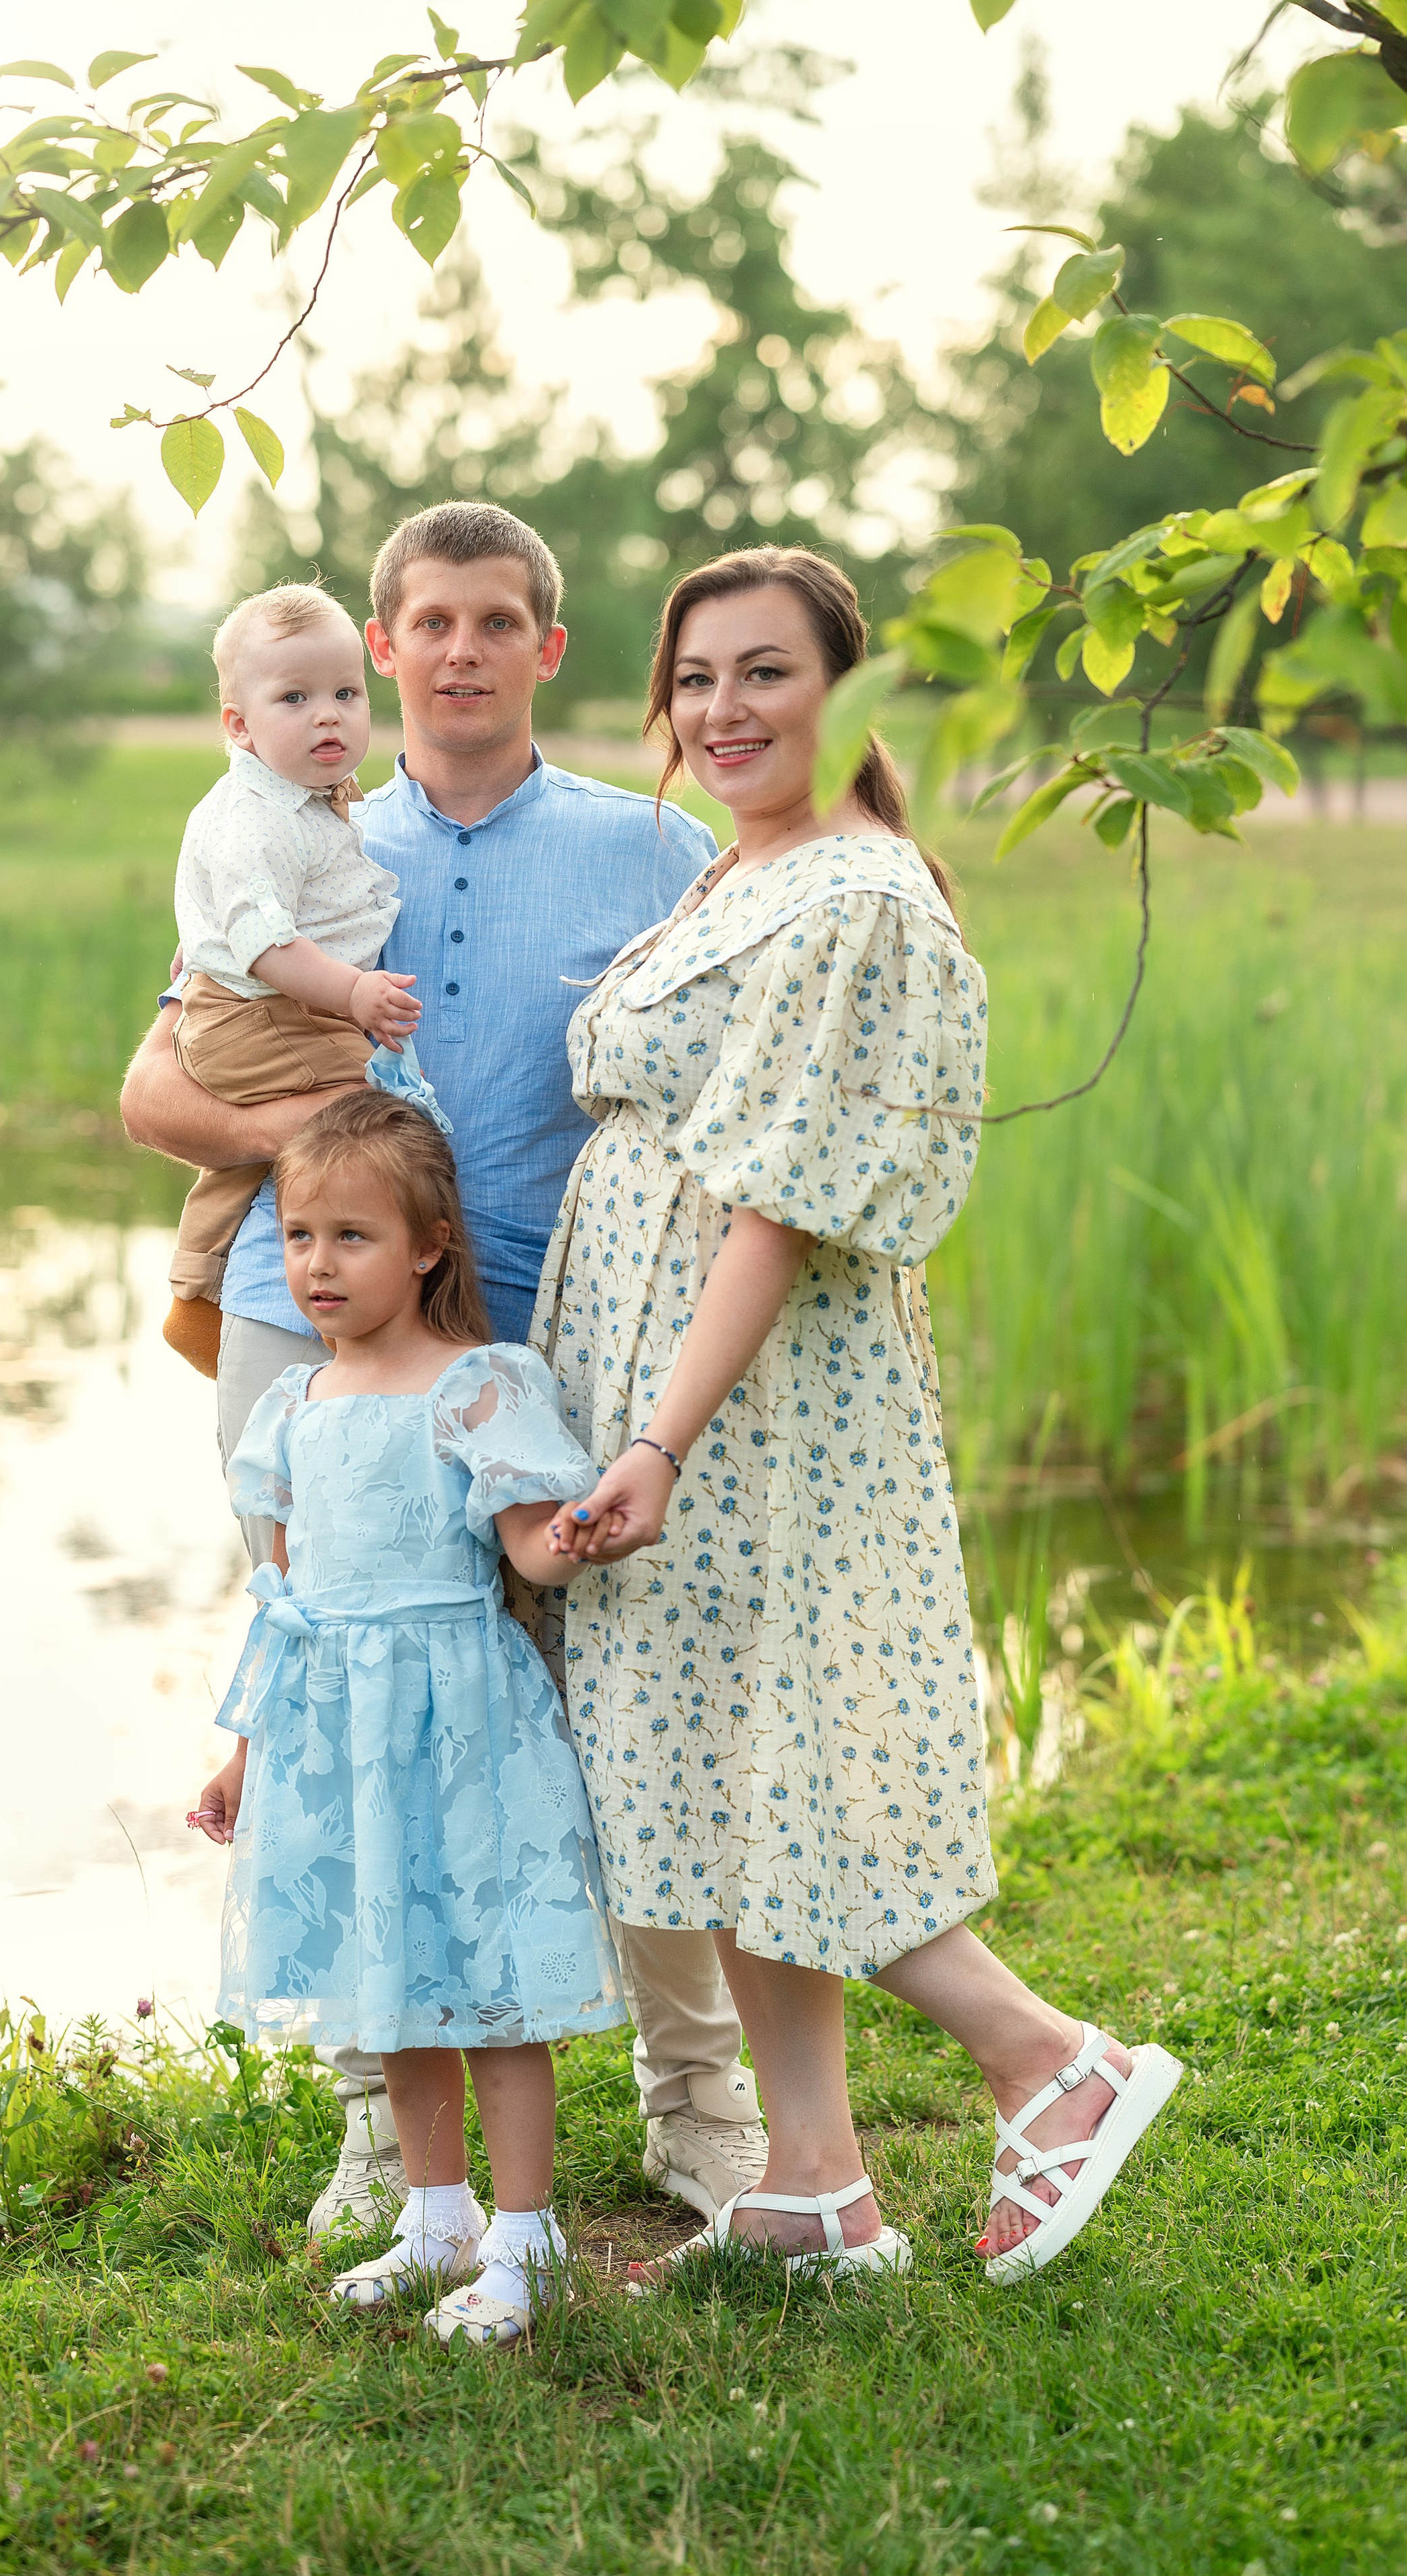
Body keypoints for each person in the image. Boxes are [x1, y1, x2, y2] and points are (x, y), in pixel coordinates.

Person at [122, 502, 771, 2240]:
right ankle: (377, 2118)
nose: (463, 652)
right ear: (385, 650)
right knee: (335, 1696)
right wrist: (324, 1162)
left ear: (547, 651)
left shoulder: (652, 846)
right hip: (309, 1314)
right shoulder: (299, 832)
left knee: (614, 1711)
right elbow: (153, 1093)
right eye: (434, 624)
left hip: (555, 1328)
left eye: (501, 622)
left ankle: (695, 2095)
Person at [539, 544, 1182, 2288]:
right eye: (695, 678)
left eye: (766, 672)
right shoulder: (744, 878)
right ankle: (816, 2189)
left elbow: (779, 1207)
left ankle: (1050, 2060)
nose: (723, 709)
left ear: (848, 691)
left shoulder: (863, 896)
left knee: (805, 1770)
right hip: (679, 1388)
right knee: (738, 1777)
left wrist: (660, 1441)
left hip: (763, 1408)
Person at [188, 1074, 621, 2349]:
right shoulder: (288, 1408)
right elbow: (283, 1597)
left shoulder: (477, 1384)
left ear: (428, 1247)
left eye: (353, 1236)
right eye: (299, 1236)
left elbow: (529, 1553)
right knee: (395, 1984)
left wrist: (575, 1534)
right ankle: (438, 2218)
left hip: (455, 1720)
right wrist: (243, 1754)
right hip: (335, 1725)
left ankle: (531, 2243)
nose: (319, 1265)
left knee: (485, 1981)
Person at [161, 583, 418, 1376]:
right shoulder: (256, 817)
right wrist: (353, 994)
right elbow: (270, 947)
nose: (329, 716)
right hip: (263, 1010)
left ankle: (193, 1293)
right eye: (295, 698)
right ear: (239, 725)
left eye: (345, 693)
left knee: (247, 1155)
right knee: (373, 1113)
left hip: (260, 1007)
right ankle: (355, 1310)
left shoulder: (305, 800)